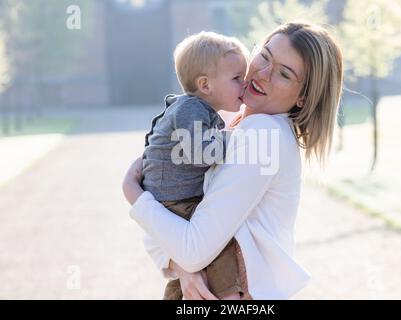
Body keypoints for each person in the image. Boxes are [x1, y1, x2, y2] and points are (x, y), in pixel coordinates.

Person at [123, 21, 343, 300]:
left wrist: (134, 194)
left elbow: (190, 247)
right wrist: (181, 263)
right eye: (264, 56)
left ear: (303, 97)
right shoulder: (228, 125)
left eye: (284, 74)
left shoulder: (265, 135)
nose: (263, 74)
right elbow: (171, 213)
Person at [141, 31, 248, 300]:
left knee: (193, 261)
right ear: (205, 85)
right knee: (217, 246)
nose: (245, 85)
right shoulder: (190, 109)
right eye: (237, 79)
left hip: (175, 198)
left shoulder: (195, 109)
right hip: (175, 200)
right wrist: (238, 139)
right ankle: (228, 298)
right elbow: (201, 153)